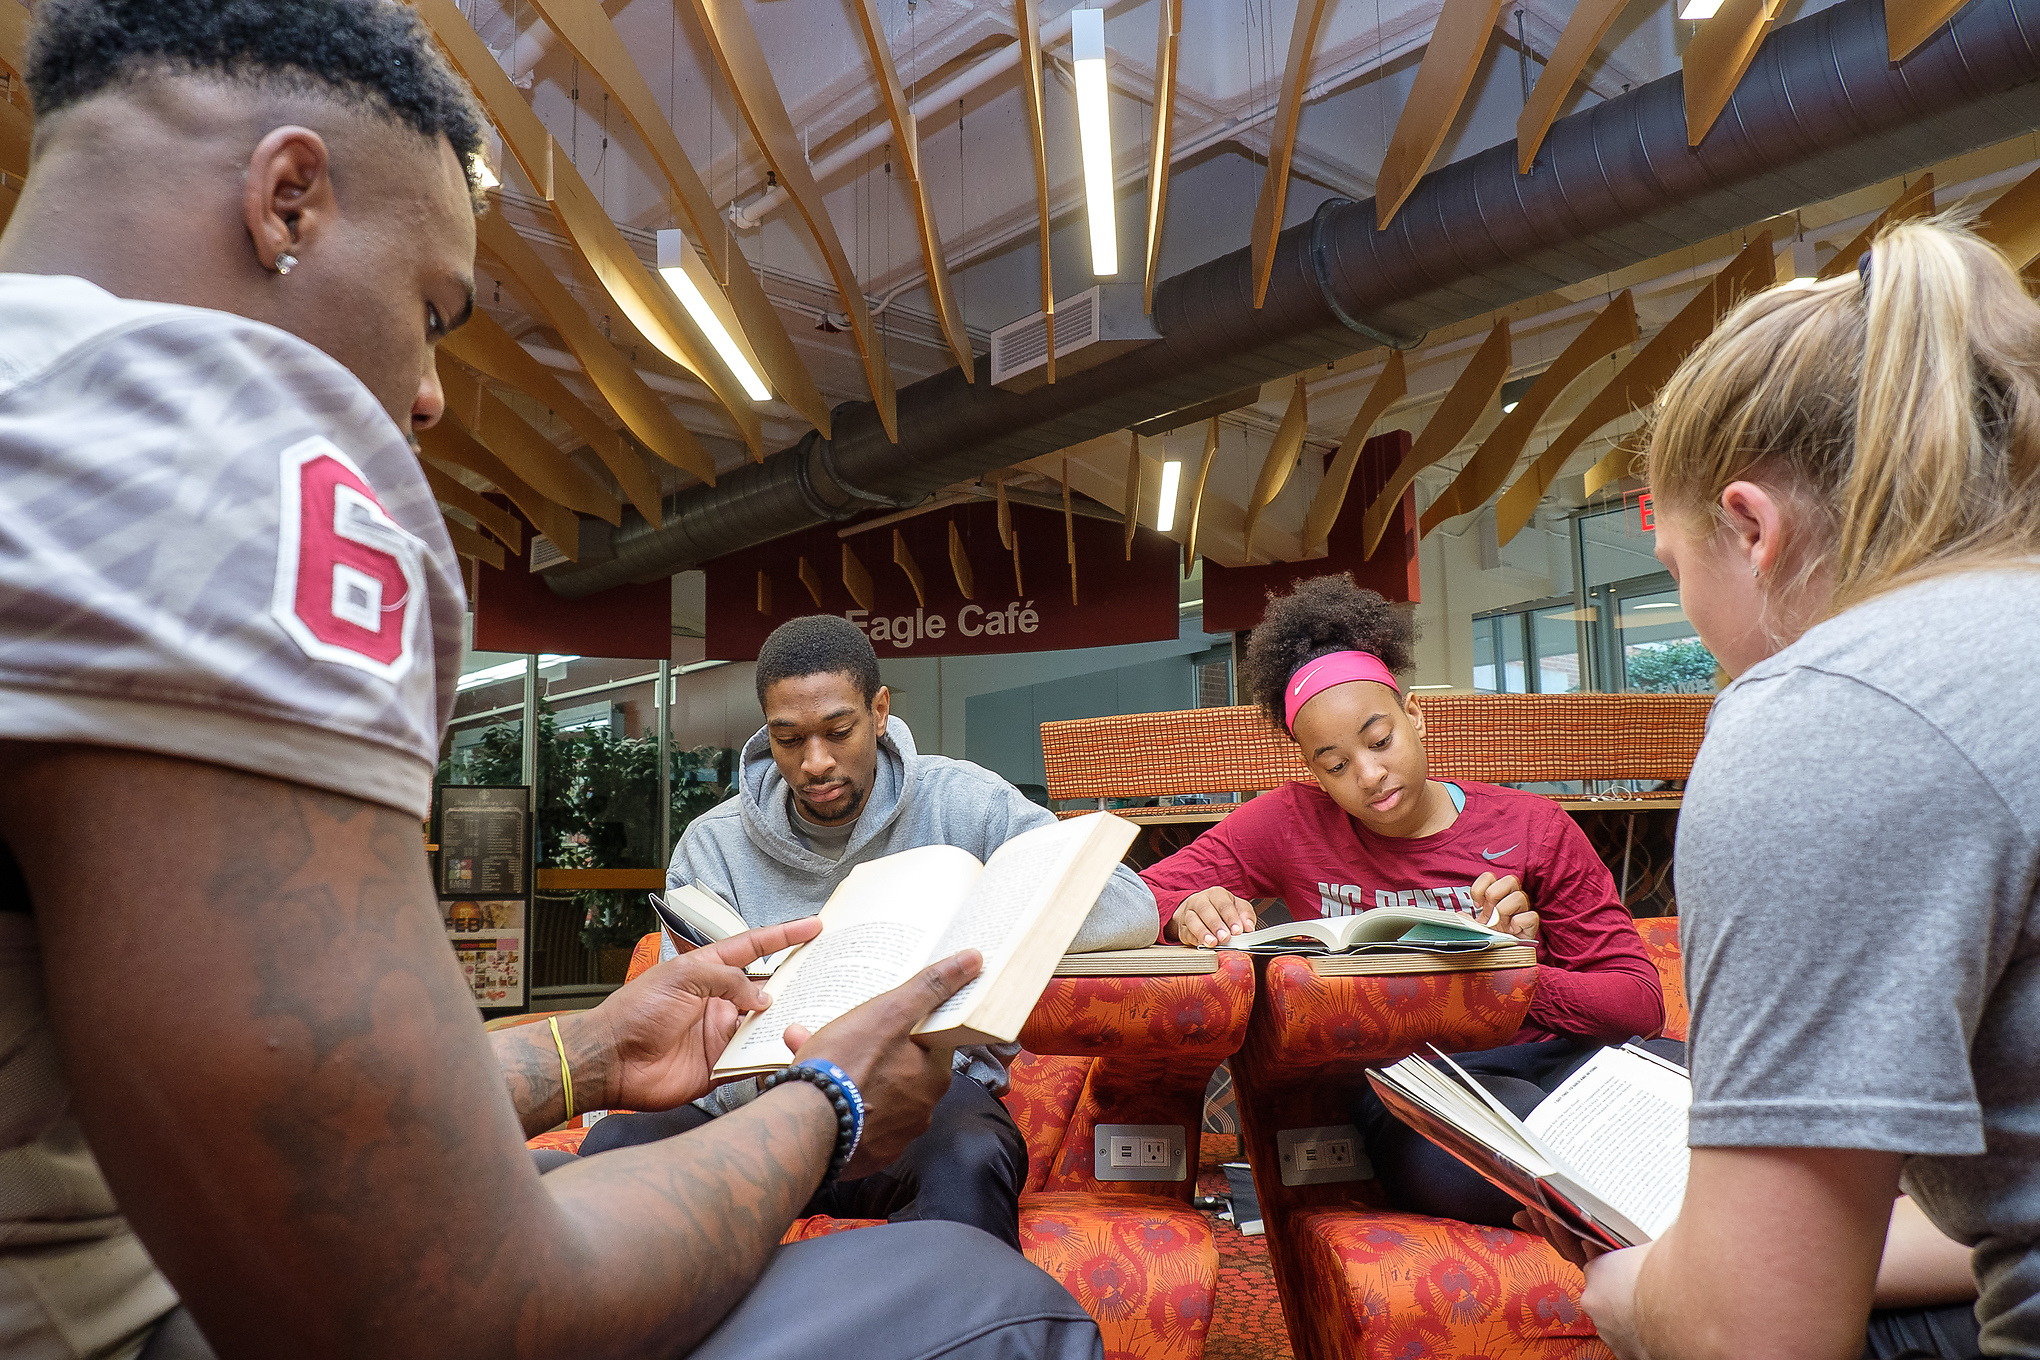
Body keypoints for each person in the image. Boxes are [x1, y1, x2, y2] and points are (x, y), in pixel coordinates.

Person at [0, 4, 1102, 1359]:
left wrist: (584, 1050)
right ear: (288, 200)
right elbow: (445, 1316)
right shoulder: (205, 441)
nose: (429, 399)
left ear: (885, 721)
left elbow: (216, 1074)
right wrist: (830, 1095)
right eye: (433, 313)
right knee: (987, 1298)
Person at [1519, 216, 2039, 1360]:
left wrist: (1639, 1291)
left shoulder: (1832, 706)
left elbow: (1750, 1336)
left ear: (1750, 528)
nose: (1703, 643)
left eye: (1674, 577)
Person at [581, 614, 1161, 1250]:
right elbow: (689, 1024)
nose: (816, 763)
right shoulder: (714, 846)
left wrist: (971, 928)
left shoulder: (963, 803)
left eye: (838, 732)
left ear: (879, 711)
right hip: (752, 1112)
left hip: (921, 1100)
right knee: (614, 1149)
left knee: (969, 1158)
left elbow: (1131, 905)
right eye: (789, 739)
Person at [1139, 573, 1666, 1223]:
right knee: (1469, 1162)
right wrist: (1185, 910)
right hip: (1418, 1083)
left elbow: (1638, 1002)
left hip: (1561, 1056)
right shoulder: (1291, 824)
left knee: (1709, 1100)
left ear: (1415, 717)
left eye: (1379, 739)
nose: (1367, 774)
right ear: (1314, 773)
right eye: (1334, 765)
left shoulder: (1531, 825)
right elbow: (1133, 896)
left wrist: (1511, 974)